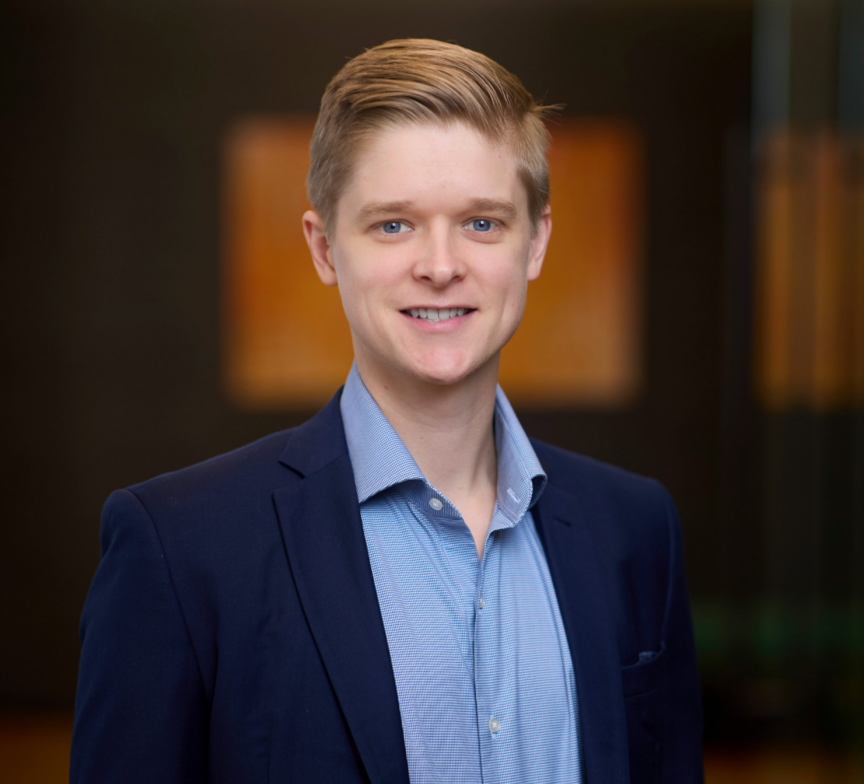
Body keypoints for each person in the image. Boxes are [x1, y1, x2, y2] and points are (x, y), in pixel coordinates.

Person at [71, 39, 703, 784]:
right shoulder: (180, 548)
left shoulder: (634, 529)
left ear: (535, 243)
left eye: (482, 223)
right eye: (393, 225)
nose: (440, 266)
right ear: (325, 248)